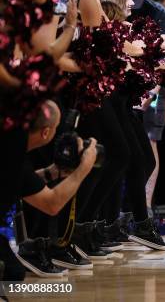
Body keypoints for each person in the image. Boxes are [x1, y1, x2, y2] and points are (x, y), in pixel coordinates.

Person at [0, 101, 98, 279]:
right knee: (10, 274)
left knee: (14, 272)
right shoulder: (13, 154)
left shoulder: (12, 141)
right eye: (56, 127)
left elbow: (18, 182)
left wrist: (50, 173)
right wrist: (84, 168)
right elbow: (51, 204)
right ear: (46, 132)